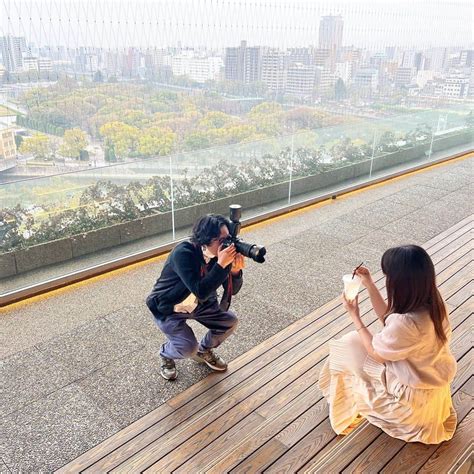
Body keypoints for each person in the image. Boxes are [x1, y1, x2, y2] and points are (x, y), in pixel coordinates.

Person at [319, 245, 457, 444]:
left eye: (388, 276)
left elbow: (376, 353)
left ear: (400, 283)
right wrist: (369, 284)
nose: (388, 280)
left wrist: (355, 316)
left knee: (347, 344)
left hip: (411, 408)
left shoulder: (406, 323)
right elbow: (389, 318)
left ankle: (343, 401)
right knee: (358, 341)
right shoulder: (433, 301)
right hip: (432, 392)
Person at [146, 214, 244, 381]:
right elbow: (200, 290)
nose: (226, 245)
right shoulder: (183, 253)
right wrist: (221, 265)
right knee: (187, 348)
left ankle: (204, 350)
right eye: (221, 240)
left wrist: (235, 271)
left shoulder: (220, 254)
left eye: (227, 239)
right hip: (170, 307)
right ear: (205, 240)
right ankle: (166, 353)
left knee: (230, 322)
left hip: (200, 305)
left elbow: (232, 291)